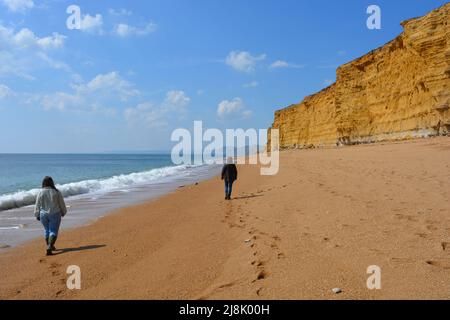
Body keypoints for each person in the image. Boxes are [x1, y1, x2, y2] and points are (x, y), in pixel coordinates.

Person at [34, 176, 67, 256]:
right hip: (55, 213)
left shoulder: (40, 192)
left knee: (47, 230)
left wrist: (36, 214)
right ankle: (49, 246)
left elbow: (37, 204)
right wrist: (63, 211)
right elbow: (61, 203)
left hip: (43, 214)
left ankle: (50, 246)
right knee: (53, 231)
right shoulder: (56, 191)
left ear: (43, 183)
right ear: (52, 182)